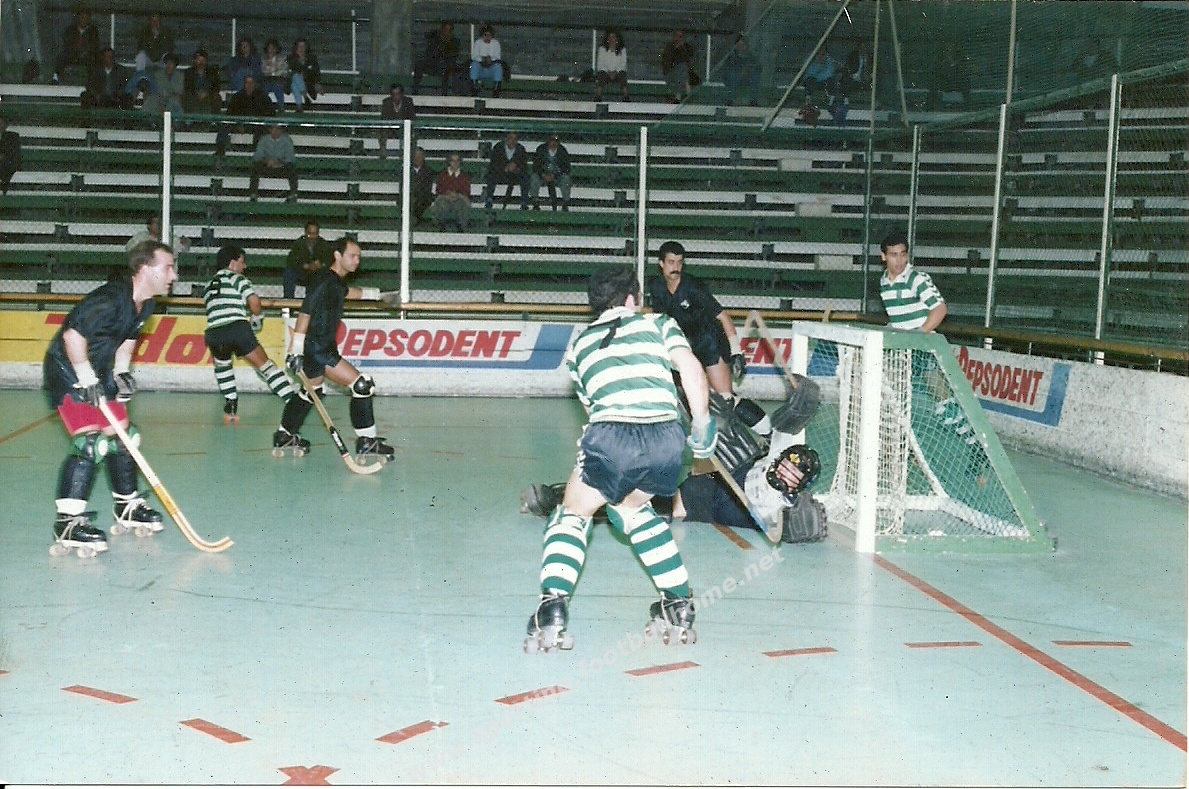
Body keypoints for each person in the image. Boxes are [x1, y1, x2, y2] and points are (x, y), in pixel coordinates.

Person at [524, 265, 717, 653]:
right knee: (633, 511)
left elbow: (593, 409)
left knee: (573, 512)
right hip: (666, 439)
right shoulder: (659, 323)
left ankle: (552, 608)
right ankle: (678, 604)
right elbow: (691, 369)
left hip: (613, 436)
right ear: (632, 299)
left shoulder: (579, 347)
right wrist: (702, 425)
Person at [522, 388, 827, 545]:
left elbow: (789, 525)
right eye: (788, 464)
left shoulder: (782, 506)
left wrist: (800, 527)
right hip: (729, 474)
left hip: (729, 506)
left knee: (654, 507)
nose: (786, 470)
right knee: (716, 414)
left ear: (799, 487)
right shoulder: (776, 453)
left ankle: (558, 502)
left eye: (795, 475)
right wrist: (799, 405)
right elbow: (781, 426)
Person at [42, 241, 178, 556]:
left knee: (124, 437)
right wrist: (85, 377)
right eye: (168, 267)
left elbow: (128, 337)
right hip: (67, 370)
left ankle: (127, 505)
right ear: (145, 269)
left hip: (98, 370)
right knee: (90, 443)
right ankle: (68, 522)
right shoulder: (110, 299)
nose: (174, 275)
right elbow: (72, 335)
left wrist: (121, 372)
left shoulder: (145, 304)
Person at [280, 237, 391, 458]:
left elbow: (348, 292)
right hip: (317, 349)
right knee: (362, 385)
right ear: (338, 256)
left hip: (320, 346)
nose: (357, 260)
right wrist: (296, 349)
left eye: (359, 256)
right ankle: (366, 441)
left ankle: (284, 435)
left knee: (311, 392)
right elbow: (305, 311)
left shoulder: (335, 281)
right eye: (352, 255)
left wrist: (379, 296)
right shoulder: (324, 279)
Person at [647, 241, 768, 434]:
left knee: (725, 400)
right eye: (671, 262)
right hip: (686, 347)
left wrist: (736, 351)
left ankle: (768, 433)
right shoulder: (656, 287)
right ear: (661, 263)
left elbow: (723, 316)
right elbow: (661, 319)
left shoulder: (693, 287)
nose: (676, 267)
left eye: (679, 262)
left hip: (710, 343)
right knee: (694, 401)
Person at [203, 244, 296, 423]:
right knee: (266, 367)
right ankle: (293, 402)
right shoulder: (236, 278)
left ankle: (231, 406)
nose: (244, 266)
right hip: (236, 328)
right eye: (242, 262)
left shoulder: (208, 285)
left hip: (213, 333)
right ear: (232, 263)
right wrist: (257, 317)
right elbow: (254, 301)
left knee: (223, 367)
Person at [878, 229, 946, 332]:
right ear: (884, 256)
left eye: (903, 255)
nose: (899, 260)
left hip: (923, 340)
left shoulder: (917, 278)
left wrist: (919, 334)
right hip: (902, 340)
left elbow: (940, 309)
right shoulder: (884, 281)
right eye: (893, 255)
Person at [218, 74, 276, 156]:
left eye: (251, 82)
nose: (249, 85)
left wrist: (259, 120)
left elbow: (271, 113)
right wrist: (238, 124)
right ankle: (220, 150)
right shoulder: (237, 97)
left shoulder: (263, 97)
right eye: (247, 82)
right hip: (240, 124)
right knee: (224, 126)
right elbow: (230, 113)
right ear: (244, 84)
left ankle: (257, 153)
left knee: (262, 129)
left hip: (257, 125)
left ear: (255, 84)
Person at [284, 219, 332, 299]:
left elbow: (329, 260)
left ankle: (311, 303)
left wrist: (321, 265)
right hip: (302, 272)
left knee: (319, 277)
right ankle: (288, 301)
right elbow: (291, 261)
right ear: (305, 232)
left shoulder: (324, 244)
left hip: (317, 273)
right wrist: (304, 266)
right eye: (310, 233)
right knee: (288, 273)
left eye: (315, 234)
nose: (312, 237)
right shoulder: (298, 244)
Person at [250, 123, 298, 202]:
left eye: (278, 129)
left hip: (282, 167)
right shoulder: (264, 139)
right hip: (267, 166)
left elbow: (290, 158)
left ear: (281, 130)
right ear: (270, 130)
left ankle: (293, 194)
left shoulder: (287, 140)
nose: (276, 131)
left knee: (292, 168)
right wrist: (267, 161)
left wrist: (277, 161)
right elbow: (257, 156)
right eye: (274, 129)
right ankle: (253, 194)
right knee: (255, 167)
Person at [483, 130, 530, 211]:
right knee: (491, 175)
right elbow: (493, 164)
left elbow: (524, 166)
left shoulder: (521, 149)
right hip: (501, 173)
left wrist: (516, 168)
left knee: (525, 178)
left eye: (515, 139)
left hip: (515, 175)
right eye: (511, 138)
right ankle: (489, 199)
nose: (513, 141)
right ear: (506, 139)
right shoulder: (498, 147)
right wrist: (505, 168)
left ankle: (524, 202)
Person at [412, 21, 461, 96]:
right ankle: (415, 91)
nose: (447, 32)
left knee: (446, 68)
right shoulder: (435, 39)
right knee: (419, 65)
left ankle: (444, 94)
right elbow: (430, 53)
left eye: (449, 30)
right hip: (432, 65)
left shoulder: (454, 42)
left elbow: (452, 57)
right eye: (445, 29)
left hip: (445, 67)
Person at [53, 9, 100, 84]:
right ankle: (56, 78)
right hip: (72, 54)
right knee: (61, 57)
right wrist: (75, 51)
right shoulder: (70, 30)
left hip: (87, 55)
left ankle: (92, 82)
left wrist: (85, 52)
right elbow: (67, 43)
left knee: (94, 60)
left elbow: (94, 45)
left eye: (86, 18)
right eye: (82, 17)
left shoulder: (93, 30)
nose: (84, 20)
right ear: (78, 18)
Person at [530, 132, 572, 212]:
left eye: (556, 140)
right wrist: (543, 175)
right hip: (542, 176)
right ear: (548, 140)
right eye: (551, 140)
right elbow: (535, 166)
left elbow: (566, 167)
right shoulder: (541, 149)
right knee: (534, 178)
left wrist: (554, 175)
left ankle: (565, 202)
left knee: (566, 179)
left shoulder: (562, 151)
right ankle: (535, 201)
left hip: (557, 176)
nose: (553, 142)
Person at [431, 152, 471, 232]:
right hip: (445, 197)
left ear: (460, 162)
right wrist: (448, 193)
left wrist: (457, 194)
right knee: (440, 202)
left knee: (462, 203)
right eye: (453, 160)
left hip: (459, 198)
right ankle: (440, 224)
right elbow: (438, 189)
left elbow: (466, 191)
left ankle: (461, 225)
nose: (455, 163)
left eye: (457, 160)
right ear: (449, 162)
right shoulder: (442, 174)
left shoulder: (464, 176)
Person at [377, 83, 416, 159]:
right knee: (382, 132)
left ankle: (410, 156)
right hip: (390, 128)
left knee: (412, 134)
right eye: (393, 94)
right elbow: (383, 118)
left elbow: (412, 117)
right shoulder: (386, 102)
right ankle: (383, 153)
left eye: (398, 94)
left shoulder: (408, 101)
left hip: (405, 128)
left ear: (402, 94)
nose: (396, 97)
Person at [722, 34, 762, 107]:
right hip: (734, 79)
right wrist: (740, 71)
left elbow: (758, 67)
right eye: (739, 45)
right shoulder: (732, 57)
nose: (741, 47)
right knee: (733, 74)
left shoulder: (751, 57)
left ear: (747, 45)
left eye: (743, 45)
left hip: (747, 79)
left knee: (755, 75)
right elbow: (727, 69)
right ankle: (731, 100)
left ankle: (753, 101)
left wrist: (749, 68)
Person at [182, 48, 222, 115]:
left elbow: (216, 86)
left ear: (206, 61)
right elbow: (187, 87)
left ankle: (211, 120)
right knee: (187, 98)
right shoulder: (188, 72)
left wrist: (207, 93)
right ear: (194, 61)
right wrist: (196, 93)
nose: (201, 62)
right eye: (199, 60)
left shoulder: (212, 72)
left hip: (209, 96)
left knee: (216, 98)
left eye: (203, 60)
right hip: (193, 96)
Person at [660, 29, 696, 103]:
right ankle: (687, 89)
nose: (678, 39)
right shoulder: (670, 47)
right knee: (681, 68)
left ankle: (679, 95)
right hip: (671, 71)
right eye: (677, 36)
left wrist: (682, 48)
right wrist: (676, 48)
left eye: (680, 37)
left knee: (682, 67)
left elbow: (689, 57)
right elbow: (668, 60)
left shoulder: (686, 47)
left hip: (684, 72)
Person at [594, 30, 629, 102]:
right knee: (601, 74)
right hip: (606, 73)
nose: (611, 39)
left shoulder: (622, 50)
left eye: (613, 37)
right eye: (610, 37)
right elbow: (600, 64)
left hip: (618, 73)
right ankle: (598, 96)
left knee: (622, 74)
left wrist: (615, 72)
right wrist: (608, 72)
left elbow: (623, 64)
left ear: (617, 38)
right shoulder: (602, 49)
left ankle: (626, 96)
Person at [287, 38, 321, 113]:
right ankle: (305, 97)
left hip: (308, 83)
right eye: (299, 46)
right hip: (296, 81)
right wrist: (298, 59)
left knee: (294, 82)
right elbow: (293, 69)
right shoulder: (291, 58)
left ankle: (299, 106)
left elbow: (316, 72)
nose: (301, 49)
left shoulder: (311, 58)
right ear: (296, 48)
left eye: (303, 46)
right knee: (295, 78)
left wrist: (317, 83)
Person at [469, 24, 503, 97]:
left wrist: (490, 59)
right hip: (480, 70)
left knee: (498, 67)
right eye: (485, 35)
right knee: (474, 65)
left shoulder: (496, 43)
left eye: (489, 35)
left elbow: (498, 57)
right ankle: (474, 89)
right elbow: (474, 57)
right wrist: (483, 59)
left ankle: (496, 91)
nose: (487, 37)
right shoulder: (478, 42)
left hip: (491, 70)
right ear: (482, 35)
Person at [409, 146, 436, 223]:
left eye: (419, 156)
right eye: (415, 156)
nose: (417, 158)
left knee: (423, 199)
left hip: (422, 196)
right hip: (409, 195)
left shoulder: (428, 171)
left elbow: (427, 188)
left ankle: (414, 217)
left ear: (423, 157)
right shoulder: (406, 169)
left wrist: (416, 196)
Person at [260, 39, 289, 109]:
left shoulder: (282, 58)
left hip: (279, 79)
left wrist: (273, 72)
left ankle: (280, 106)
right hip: (268, 79)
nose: (272, 50)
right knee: (265, 88)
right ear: (267, 49)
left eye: (274, 48)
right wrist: (274, 71)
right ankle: (263, 106)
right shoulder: (264, 59)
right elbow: (264, 71)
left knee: (278, 87)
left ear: (277, 49)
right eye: (270, 48)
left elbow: (283, 70)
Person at [0, 117, 20, 196]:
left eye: (1, 123)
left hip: (6, 166)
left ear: (6, 125)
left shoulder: (13, 136)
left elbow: (13, 152)